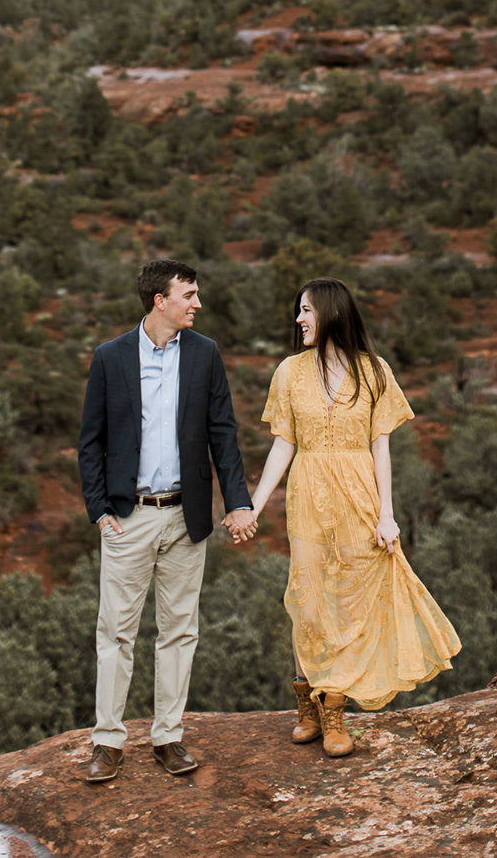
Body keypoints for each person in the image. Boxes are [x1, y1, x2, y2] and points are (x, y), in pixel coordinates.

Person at [245, 277, 460, 755]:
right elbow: (284, 444)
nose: (298, 319)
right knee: (308, 599)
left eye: (306, 310)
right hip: (307, 496)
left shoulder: (375, 372)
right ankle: (308, 704)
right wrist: (254, 505)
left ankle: (336, 710)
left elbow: (381, 448)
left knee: (351, 603)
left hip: (360, 497)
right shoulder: (288, 372)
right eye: (297, 311)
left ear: (331, 312)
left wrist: (387, 514)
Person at [75, 259, 257, 783]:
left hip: (186, 515)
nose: (197, 303)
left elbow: (223, 433)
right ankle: (108, 742)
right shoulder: (110, 357)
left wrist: (237, 502)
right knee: (116, 632)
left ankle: (168, 737)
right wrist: (99, 511)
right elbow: (91, 441)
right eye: (189, 294)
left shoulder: (205, 354)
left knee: (179, 631)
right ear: (160, 300)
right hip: (128, 516)